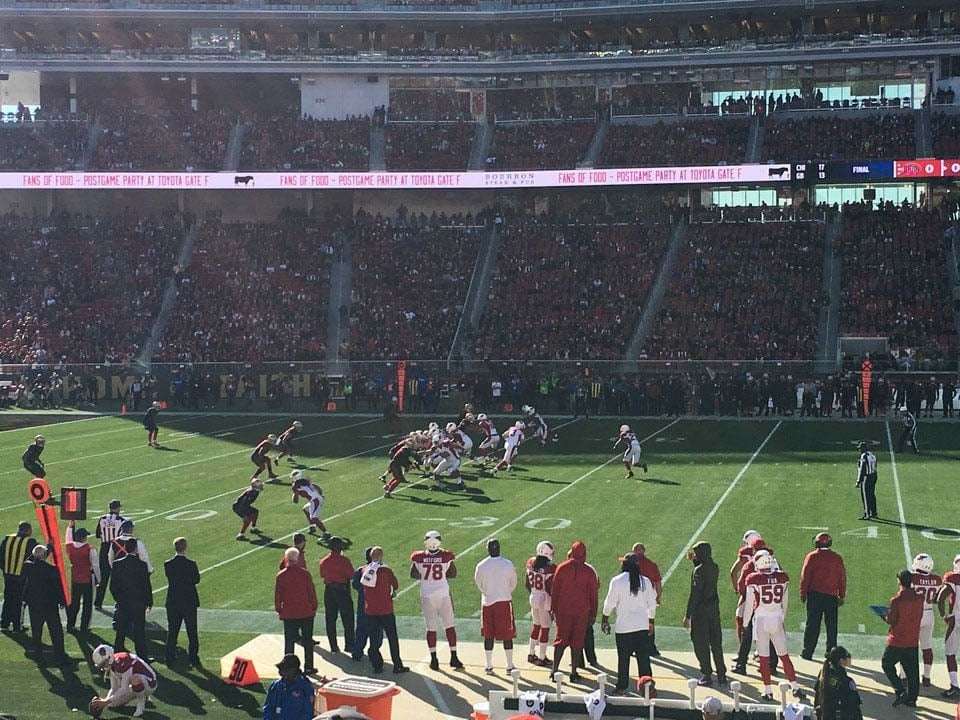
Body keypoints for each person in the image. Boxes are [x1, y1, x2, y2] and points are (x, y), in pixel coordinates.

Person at [742, 551, 802, 701]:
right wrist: (782, 618)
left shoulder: (754, 579)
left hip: (761, 620)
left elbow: (749, 605)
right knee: (784, 656)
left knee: (763, 658)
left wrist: (745, 622)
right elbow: (785, 602)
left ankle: (768, 691)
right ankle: (794, 686)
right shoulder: (782, 578)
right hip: (776, 618)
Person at [601, 554, 657, 695]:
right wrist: (651, 622)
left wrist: (605, 619)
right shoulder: (646, 582)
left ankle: (621, 687)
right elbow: (652, 605)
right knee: (644, 660)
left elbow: (610, 603)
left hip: (623, 628)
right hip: (642, 627)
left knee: (623, 660)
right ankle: (647, 687)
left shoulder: (617, 581)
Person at [410, 530, 463, 670]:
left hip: (427, 595)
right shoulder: (446, 556)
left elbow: (413, 573)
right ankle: (454, 656)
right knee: (449, 626)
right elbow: (453, 573)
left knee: (431, 629)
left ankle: (434, 659)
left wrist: (426, 575)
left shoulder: (418, 557)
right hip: (443, 594)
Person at [549, 541, 598, 683]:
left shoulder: (562, 568)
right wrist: (593, 613)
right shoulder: (589, 572)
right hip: (581, 612)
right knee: (577, 642)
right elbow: (593, 595)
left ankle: (555, 670)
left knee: (560, 640)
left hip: (563, 610)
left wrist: (553, 608)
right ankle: (573, 672)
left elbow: (555, 590)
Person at [683, 541, 726, 687]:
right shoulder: (715, 567)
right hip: (714, 611)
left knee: (701, 644)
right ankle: (721, 674)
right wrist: (695, 560)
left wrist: (688, 615)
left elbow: (695, 594)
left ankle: (707, 674)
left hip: (701, 614)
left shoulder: (699, 571)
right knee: (716, 644)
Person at [360, 547, 408, 674]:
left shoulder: (364, 570)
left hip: (371, 610)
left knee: (374, 640)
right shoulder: (385, 570)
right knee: (392, 638)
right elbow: (395, 584)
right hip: (385, 609)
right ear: (381, 556)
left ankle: (377, 665)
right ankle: (397, 665)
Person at [22, 545, 71, 665]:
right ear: (44, 555)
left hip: (35, 605)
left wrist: (45, 550)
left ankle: (39, 656)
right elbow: (58, 588)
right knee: (56, 631)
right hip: (50, 605)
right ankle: (60, 656)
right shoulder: (52, 569)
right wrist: (62, 602)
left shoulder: (28, 567)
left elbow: (30, 559)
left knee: (36, 632)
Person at [474, 538, 518, 674]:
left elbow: (479, 583)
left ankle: (488, 665)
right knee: (507, 635)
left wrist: (488, 593)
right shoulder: (508, 564)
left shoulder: (481, 565)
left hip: (488, 603)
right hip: (504, 602)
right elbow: (513, 582)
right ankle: (509, 665)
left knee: (488, 635)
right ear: (499, 548)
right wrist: (504, 592)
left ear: (488, 549)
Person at [800, 533, 846, 660]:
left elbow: (805, 577)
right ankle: (832, 654)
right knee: (832, 627)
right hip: (831, 596)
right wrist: (841, 595)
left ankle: (807, 652)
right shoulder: (837, 558)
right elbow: (842, 578)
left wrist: (803, 593)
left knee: (812, 625)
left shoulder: (812, 557)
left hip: (814, 595)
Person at [882, 570, 923, 707]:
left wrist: (885, 617)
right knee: (912, 671)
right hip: (912, 639)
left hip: (898, 639)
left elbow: (891, 620)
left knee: (887, 663)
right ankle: (912, 699)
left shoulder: (896, 600)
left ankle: (900, 690)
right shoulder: (919, 598)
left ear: (899, 581)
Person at [274, 547, 318, 675]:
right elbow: (311, 592)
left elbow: (278, 595)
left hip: (289, 613)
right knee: (307, 640)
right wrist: (313, 607)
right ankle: (308, 667)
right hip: (305, 612)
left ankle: (289, 667)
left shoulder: (281, 575)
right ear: (297, 559)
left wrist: (279, 610)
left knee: (289, 641)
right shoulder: (305, 574)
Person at [111, 538, 153, 660]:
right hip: (138, 603)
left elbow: (113, 586)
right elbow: (146, 585)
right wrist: (149, 601)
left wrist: (119, 599)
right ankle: (142, 658)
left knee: (121, 630)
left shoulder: (117, 564)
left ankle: (117, 655)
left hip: (123, 603)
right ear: (135, 548)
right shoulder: (141, 565)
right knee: (139, 632)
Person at [91, 644, 158, 718]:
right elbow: (114, 688)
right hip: (134, 685)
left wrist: (105, 702)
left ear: (109, 658)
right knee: (112, 704)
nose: (103, 667)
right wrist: (105, 701)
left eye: (103, 664)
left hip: (149, 682)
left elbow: (124, 689)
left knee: (135, 679)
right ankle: (141, 695)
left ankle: (141, 703)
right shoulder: (113, 664)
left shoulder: (123, 662)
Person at [163, 537, 201, 667]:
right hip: (189, 600)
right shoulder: (191, 564)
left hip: (173, 600)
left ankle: (169, 658)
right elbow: (196, 579)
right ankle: (193, 657)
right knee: (192, 630)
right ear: (185, 547)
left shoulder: (168, 564)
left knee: (172, 630)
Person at [318, 536, 355, 655]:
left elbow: (322, 574)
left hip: (329, 590)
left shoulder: (324, 561)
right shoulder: (344, 560)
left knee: (330, 619)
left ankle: (333, 646)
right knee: (348, 619)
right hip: (342, 590)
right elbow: (351, 575)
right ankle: (349, 644)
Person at [1, 521, 38, 631]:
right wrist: (50, 546)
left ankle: (4, 623)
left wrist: (5, 569)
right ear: (28, 530)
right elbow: (38, 555)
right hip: (21, 576)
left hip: (8, 575)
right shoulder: (30, 541)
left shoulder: (7, 539)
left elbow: (0, 556)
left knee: (8, 598)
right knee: (19, 601)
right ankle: (17, 625)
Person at [65, 521, 99, 633]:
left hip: (75, 579)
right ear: (84, 537)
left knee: (74, 604)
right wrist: (99, 579)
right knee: (87, 605)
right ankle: (84, 627)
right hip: (87, 579)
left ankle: (70, 625)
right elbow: (95, 565)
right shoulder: (90, 549)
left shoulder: (69, 547)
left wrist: (70, 526)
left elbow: (68, 538)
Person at [526, 540, 556, 667]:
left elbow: (527, 583)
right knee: (544, 629)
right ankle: (542, 657)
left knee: (536, 626)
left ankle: (531, 653)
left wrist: (534, 592)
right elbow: (551, 588)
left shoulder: (530, 563)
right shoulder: (551, 568)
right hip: (544, 600)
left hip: (533, 597)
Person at [813, 646, 863, 720]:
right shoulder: (847, 681)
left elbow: (817, 693)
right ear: (842, 661)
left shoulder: (823, 674)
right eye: (847, 656)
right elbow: (855, 705)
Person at [351, 547, 382, 662]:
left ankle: (357, 652)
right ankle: (374, 653)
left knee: (361, 629)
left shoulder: (360, 570)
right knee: (377, 631)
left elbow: (355, 585)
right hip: (376, 606)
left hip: (362, 604)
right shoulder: (381, 569)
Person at [262, 654, 315, 720]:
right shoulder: (276, 685)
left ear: (293, 670)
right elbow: (268, 708)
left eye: (284, 668)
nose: (280, 670)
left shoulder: (305, 687)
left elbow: (307, 713)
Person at [936, 553, 960, 698]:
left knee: (950, 654)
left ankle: (955, 685)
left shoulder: (953, 578)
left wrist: (944, 615)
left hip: (956, 621)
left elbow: (941, 598)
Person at [632, 543, 663, 654]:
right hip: (649, 598)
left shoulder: (632, 565)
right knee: (650, 621)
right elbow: (658, 581)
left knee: (635, 622)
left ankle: (635, 647)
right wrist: (659, 596)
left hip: (635, 598)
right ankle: (651, 647)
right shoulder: (652, 564)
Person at [95, 499, 125, 608]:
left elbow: (98, 534)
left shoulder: (102, 519)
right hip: (116, 549)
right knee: (117, 576)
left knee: (103, 577)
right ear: (117, 508)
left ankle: (98, 602)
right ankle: (119, 601)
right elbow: (122, 537)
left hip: (104, 548)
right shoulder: (121, 520)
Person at [291, 471, 331, 543]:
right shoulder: (306, 481)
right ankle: (312, 526)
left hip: (315, 500)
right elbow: (316, 486)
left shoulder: (295, 485)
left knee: (314, 517)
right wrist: (320, 494)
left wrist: (295, 494)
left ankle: (326, 534)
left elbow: (296, 501)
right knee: (306, 509)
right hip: (317, 499)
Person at [855, 442, 878, 520]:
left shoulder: (864, 456)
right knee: (871, 494)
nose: (859, 450)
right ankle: (874, 512)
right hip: (874, 475)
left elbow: (862, 469)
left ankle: (867, 514)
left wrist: (859, 480)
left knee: (865, 496)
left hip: (867, 477)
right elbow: (875, 465)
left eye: (860, 448)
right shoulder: (872, 454)